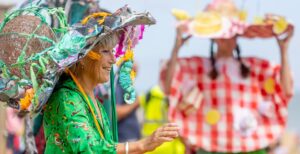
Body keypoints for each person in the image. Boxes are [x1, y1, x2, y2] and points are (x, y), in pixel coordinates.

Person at [0, 4, 179, 154]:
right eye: (105, 51)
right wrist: (142, 145)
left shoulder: (92, 100)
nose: (113, 59)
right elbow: (88, 148)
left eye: (113, 51)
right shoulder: (66, 98)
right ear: (85, 57)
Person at [160, 0, 294, 153]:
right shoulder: (198, 67)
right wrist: (176, 47)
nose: (227, 39)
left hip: (249, 146)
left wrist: (283, 49)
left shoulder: (254, 67)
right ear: (213, 38)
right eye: (222, 35)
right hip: (209, 145)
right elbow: (169, 87)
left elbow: (285, 90)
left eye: (231, 34)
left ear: (238, 35)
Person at [115, 62, 141, 142]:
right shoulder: (118, 86)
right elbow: (116, 113)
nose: (134, 76)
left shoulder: (126, 86)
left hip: (131, 137)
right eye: (133, 72)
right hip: (124, 138)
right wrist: (135, 103)